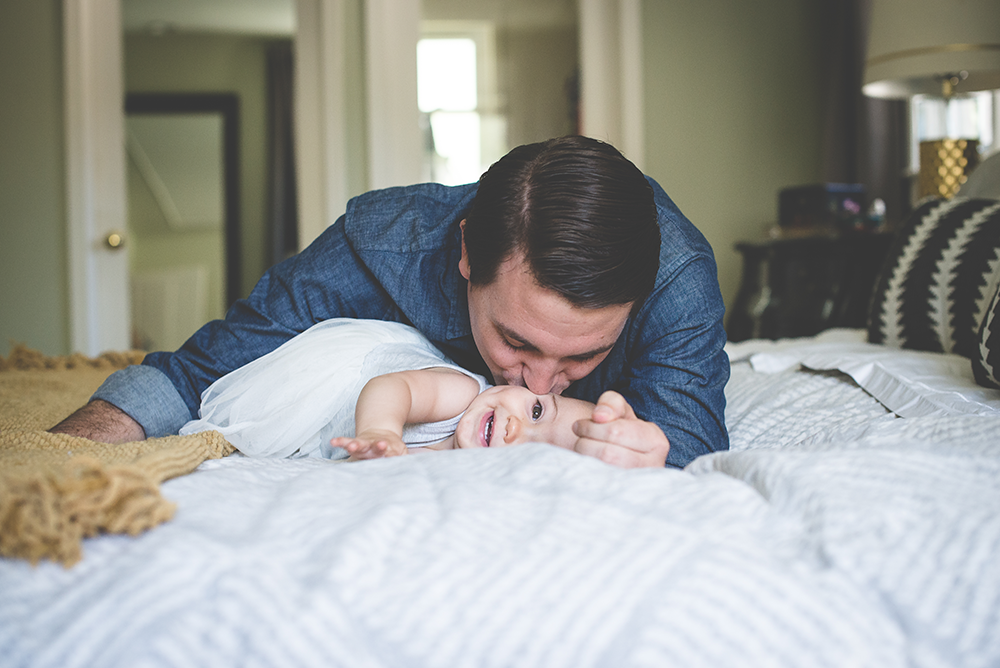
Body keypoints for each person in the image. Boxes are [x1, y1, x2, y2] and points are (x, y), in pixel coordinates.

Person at [51, 135, 730, 469]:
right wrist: (53, 462)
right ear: (466, 256)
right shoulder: (379, 245)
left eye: (584, 355)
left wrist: (648, 452)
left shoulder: (678, 281)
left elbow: (692, 453)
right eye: (517, 343)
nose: (541, 383)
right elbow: (196, 370)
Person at [177, 318, 601, 462]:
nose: (514, 430)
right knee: (260, 427)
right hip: (345, 378)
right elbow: (391, 387)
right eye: (537, 413)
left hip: (356, 425)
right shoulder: (460, 394)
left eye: (532, 450)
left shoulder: (469, 464)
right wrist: (381, 431)